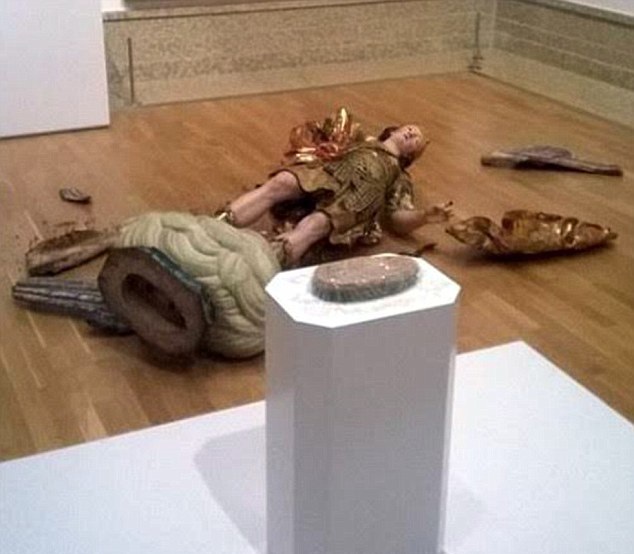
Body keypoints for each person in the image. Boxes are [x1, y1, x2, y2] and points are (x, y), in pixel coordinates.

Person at [217, 124, 451, 265]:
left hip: (359, 197)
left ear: (412, 155)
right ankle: (218, 225)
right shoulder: (362, 141)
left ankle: (259, 265)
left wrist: (424, 216)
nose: (412, 133)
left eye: (417, 138)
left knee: (316, 224)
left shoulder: (399, 176)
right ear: (394, 129)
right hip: (330, 172)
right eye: (410, 128)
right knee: (281, 182)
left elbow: (396, 219)